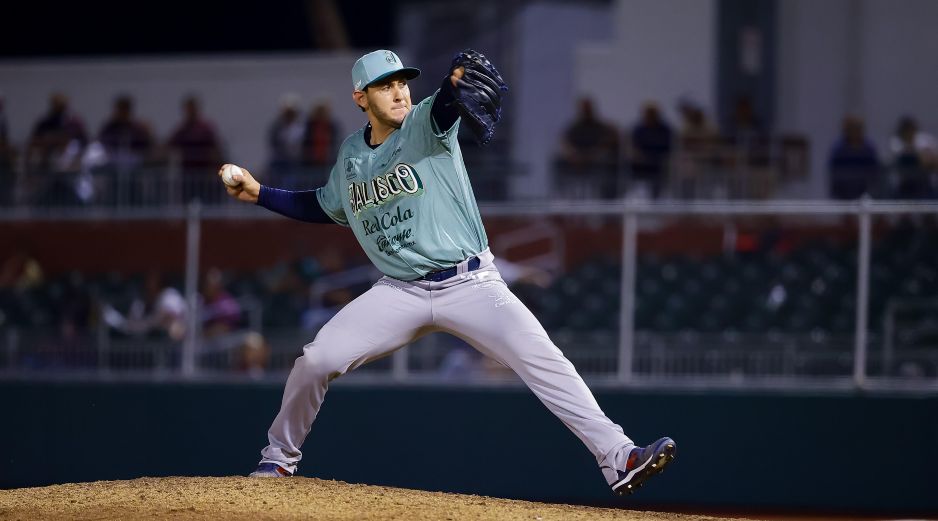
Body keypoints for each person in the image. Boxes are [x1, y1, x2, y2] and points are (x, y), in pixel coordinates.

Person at [220, 49, 675, 495]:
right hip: (399, 291)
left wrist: (452, 87)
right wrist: (259, 193)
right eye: (385, 85)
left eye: (402, 82)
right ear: (360, 97)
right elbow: (322, 204)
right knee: (315, 360)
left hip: (471, 283)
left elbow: (441, 107)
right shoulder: (352, 155)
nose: (399, 92)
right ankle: (278, 460)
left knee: (545, 359)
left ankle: (619, 457)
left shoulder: (423, 125)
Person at [167, 95, 223, 202]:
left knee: (207, 202)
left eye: (192, 108)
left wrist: (215, 169)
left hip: (204, 174)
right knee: (187, 203)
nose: (190, 112)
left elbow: (216, 149)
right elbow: (169, 145)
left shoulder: (205, 128)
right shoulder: (182, 129)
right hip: (187, 176)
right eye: (188, 109)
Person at [828, 115, 881, 199]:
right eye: (852, 129)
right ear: (846, 130)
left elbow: (875, 174)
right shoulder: (839, 150)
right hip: (843, 196)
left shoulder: (869, 149)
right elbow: (834, 176)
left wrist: (871, 195)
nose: (855, 132)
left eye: (858, 129)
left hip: (865, 196)